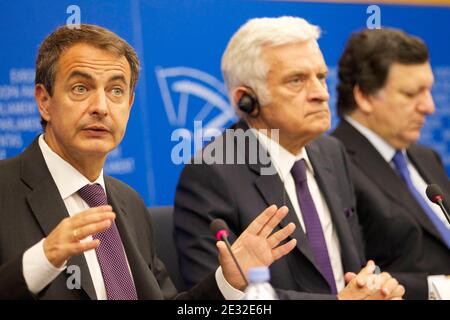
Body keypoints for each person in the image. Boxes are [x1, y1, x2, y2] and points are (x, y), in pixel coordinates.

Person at [0, 24, 297, 300]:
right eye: (81, 88)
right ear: (44, 101)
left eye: (116, 91)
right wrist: (44, 258)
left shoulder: (129, 203)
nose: (101, 107)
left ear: (129, 105)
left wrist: (227, 282)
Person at [174, 16, 405, 300]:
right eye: (297, 81)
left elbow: (350, 269)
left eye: (320, 77)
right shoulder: (211, 173)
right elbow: (217, 301)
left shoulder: (332, 152)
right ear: (247, 100)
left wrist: (374, 287)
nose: (320, 94)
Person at [331, 28, 450, 299]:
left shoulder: (425, 157)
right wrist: (439, 288)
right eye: (411, 94)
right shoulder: (332, 163)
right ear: (364, 96)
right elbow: (351, 275)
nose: (429, 107)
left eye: (429, 91)